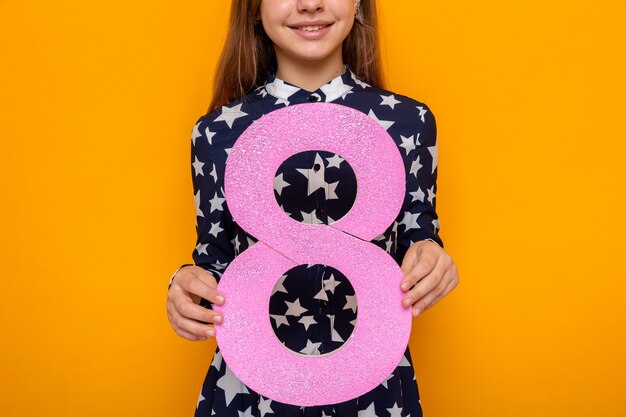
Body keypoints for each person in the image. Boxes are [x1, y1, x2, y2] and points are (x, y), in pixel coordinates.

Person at [166, 0, 460, 416]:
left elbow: (419, 237)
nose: (310, 4)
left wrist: (434, 259)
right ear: (254, 8)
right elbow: (213, 266)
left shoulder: (409, 122)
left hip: (372, 390)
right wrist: (182, 288)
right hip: (250, 394)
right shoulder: (215, 134)